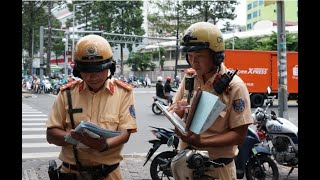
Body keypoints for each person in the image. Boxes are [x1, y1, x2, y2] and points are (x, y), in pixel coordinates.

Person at [168, 22, 253, 180]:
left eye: (199, 56)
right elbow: (176, 116)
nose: (194, 62)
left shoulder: (235, 87)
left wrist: (202, 142)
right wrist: (177, 114)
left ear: (216, 56)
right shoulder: (189, 79)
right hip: (187, 166)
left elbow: (240, 135)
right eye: (190, 56)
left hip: (217, 170)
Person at [46, 34, 138, 180]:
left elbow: (125, 133)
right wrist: (76, 138)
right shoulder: (67, 94)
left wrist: (104, 145)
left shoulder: (123, 93)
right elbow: (51, 133)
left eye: (99, 70)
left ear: (110, 68)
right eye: (87, 71)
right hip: (71, 173)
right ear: (78, 71)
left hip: (108, 174)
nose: (93, 76)